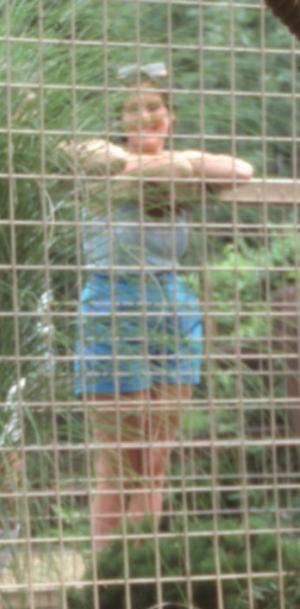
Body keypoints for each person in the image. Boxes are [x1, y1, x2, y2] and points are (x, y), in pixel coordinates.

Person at [61, 63, 253, 550]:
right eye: (132, 108)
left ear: (170, 115)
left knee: (156, 460)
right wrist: (172, 171)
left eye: (154, 106)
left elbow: (242, 170)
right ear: (119, 119)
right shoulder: (97, 160)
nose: (144, 115)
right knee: (120, 459)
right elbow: (78, 153)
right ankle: (105, 582)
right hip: (113, 303)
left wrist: (178, 165)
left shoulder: (175, 164)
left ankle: (146, 573)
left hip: (173, 307)